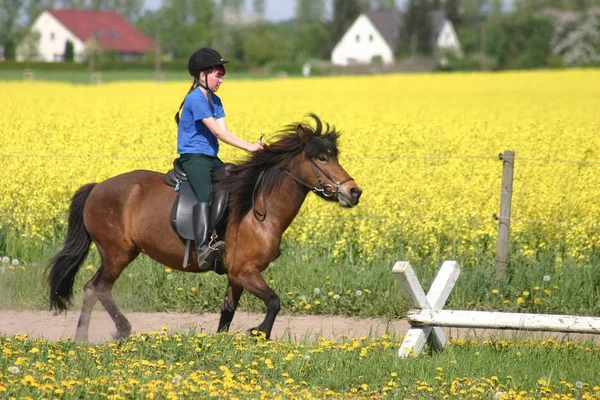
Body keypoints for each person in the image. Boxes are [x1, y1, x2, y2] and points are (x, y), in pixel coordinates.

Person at [175, 47, 263, 270]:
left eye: (222, 74)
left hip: (211, 158)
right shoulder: (195, 99)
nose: (221, 79)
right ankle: (204, 248)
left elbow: (226, 132)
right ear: (202, 75)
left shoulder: (217, 101)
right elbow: (218, 133)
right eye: (217, 74)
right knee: (204, 193)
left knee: (233, 179)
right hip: (193, 158)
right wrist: (251, 148)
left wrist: (252, 147)